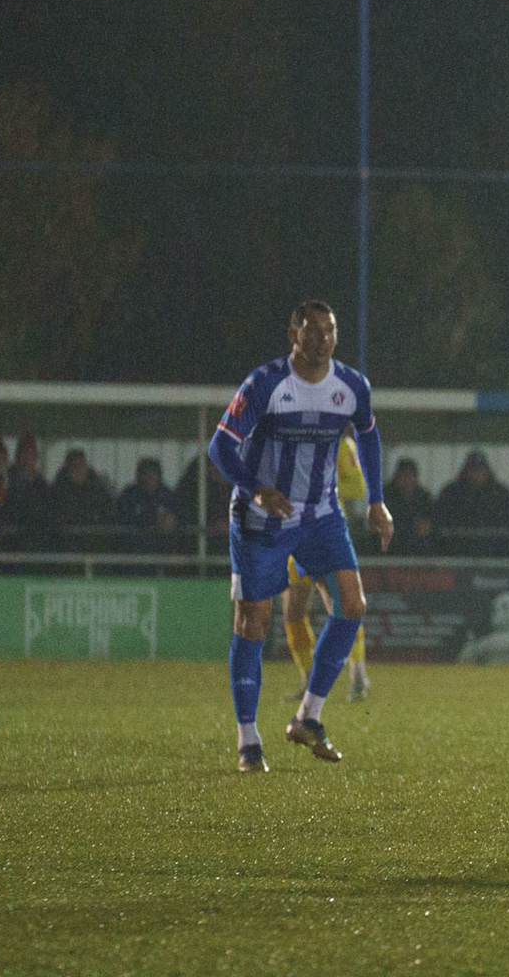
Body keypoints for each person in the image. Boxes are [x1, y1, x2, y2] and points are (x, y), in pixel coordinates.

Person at [208, 300, 392, 773]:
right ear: (294, 336)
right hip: (263, 517)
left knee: (352, 605)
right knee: (253, 621)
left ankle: (308, 716)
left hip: (320, 516)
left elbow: (368, 434)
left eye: (330, 330)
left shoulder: (351, 386)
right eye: (312, 331)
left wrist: (376, 501)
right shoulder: (266, 384)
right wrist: (256, 488)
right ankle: (249, 740)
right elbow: (220, 446)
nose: (322, 339)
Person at [283, 435, 371, 703]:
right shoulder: (287, 439)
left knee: (342, 605)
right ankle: (309, 680)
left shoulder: (340, 442)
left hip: (326, 531)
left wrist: (321, 486)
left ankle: (357, 674)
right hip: (294, 533)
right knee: (292, 611)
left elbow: (358, 486)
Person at [433, 451, 509, 557]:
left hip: (493, 553)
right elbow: (440, 518)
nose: (476, 474)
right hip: (457, 552)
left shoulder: (500, 493)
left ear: (487, 472)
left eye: (480, 470)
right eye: (472, 470)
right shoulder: (451, 492)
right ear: (465, 471)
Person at [115, 457, 184, 563]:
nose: (149, 477)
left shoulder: (168, 496)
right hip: (132, 552)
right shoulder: (129, 495)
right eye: (145, 473)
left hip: (163, 552)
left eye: (153, 473)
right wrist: (145, 526)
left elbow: (180, 519)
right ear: (138, 476)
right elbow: (120, 520)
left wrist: (172, 522)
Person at [49, 448, 113, 556]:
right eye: (73, 466)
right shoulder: (56, 493)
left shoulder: (98, 491)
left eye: (81, 465)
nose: (77, 469)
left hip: (93, 548)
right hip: (64, 549)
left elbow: (108, 515)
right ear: (67, 468)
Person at [380, 458, 434, 554]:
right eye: (403, 476)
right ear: (396, 477)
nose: (407, 480)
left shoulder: (424, 497)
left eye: (410, 476)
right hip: (391, 548)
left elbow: (430, 522)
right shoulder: (386, 496)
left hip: (418, 549)